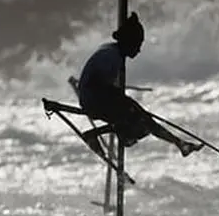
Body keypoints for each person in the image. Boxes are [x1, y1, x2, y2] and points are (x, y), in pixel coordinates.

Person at [75, 12, 202, 158]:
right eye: (138, 44)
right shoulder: (111, 56)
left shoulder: (113, 52)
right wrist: (123, 102)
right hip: (93, 100)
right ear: (129, 42)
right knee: (140, 120)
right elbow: (96, 84)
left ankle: (179, 143)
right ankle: (95, 135)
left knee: (142, 119)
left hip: (98, 97)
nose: (139, 50)